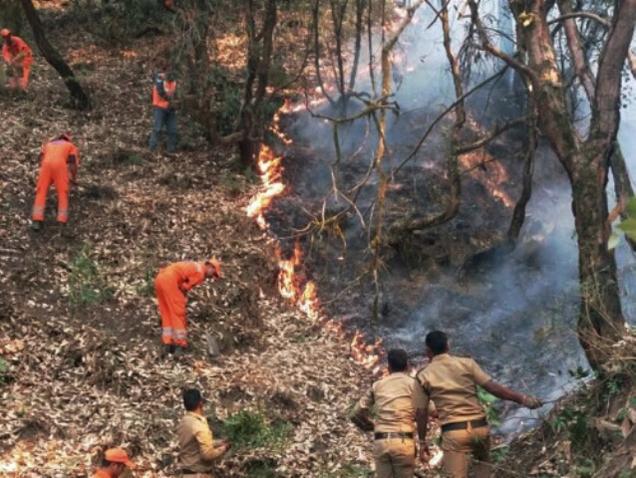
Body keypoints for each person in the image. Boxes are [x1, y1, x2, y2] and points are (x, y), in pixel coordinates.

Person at [415, 330, 543, 478]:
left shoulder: (423, 376)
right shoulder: (466, 363)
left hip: (454, 433)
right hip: (480, 428)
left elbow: (421, 412)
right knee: (483, 468)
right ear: (448, 346)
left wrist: (423, 442)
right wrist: (523, 399)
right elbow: (493, 388)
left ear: (428, 351)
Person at [351, 349, 427, 478]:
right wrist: (422, 441)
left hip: (381, 441)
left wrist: (372, 426)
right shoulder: (415, 385)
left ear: (388, 368)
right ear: (407, 366)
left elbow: (355, 414)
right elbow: (426, 412)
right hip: (403, 442)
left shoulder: (377, 385)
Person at [155, 259, 223, 357]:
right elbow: (184, 287)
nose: (211, 276)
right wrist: (183, 297)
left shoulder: (195, 266)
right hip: (170, 281)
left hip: (160, 279)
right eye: (214, 273)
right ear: (210, 266)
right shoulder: (200, 273)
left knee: (167, 312)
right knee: (178, 313)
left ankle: (168, 343)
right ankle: (180, 343)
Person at [31, 132, 80, 230]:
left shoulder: (48, 145)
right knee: (63, 192)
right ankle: (61, 222)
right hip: (60, 166)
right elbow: (73, 164)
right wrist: (73, 177)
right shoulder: (70, 146)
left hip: (45, 166)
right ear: (67, 139)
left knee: (41, 191)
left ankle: (36, 220)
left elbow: (41, 158)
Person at [178, 388, 230, 477]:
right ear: (200, 403)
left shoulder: (184, 421)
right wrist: (225, 448)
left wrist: (220, 442)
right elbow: (207, 454)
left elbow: (196, 445)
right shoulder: (199, 426)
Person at [149, 63, 177, 153]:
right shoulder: (159, 79)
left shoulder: (174, 81)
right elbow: (161, 91)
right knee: (157, 129)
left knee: (172, 130)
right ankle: (151, 150)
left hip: (170, 108)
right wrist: (171, 100)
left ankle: (171, 150)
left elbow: (176, 93)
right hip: (159, 107)